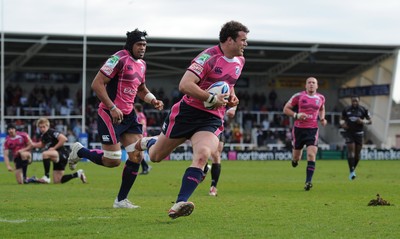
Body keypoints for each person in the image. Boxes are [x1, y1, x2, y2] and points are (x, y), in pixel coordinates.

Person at [131, 21, 248, 219]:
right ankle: (149, 141)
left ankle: (179, 204)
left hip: (211, 118)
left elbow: (228, 84)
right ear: (230, 40)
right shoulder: (208, 58)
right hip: (187, 113)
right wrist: (211, 98)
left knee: (203, 155)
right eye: (243, 40)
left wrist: (231, 97)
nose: (246, 44)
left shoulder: (240, 61)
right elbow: (185, 84)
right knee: (156, 156)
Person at [68, 29, 164, 208]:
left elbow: (141, 88)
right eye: (139, 45)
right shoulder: (118, 59)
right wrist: (112, 107)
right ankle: (80, 151)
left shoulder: (142, 64)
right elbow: (97, 84)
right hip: (109, 114)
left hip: (129, 116)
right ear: (130, 45)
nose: (142, 48)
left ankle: (121, 200)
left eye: (144, 45)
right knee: (112, 160)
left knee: (136, 155)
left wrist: (153, 100)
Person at [283, 77, 327, 191]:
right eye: (309, 83)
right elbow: (286, 109)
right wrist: (297, 115)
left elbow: (322, 108)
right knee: (296, 156)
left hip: (312, 130)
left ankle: (308, 181)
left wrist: (322, 118)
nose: (311, 84)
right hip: (299, 129)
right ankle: (294, 161)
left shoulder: (321, 98)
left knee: (311, 155)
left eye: (313, 83)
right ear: (305, 85)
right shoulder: (298, 96)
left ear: (317, 86)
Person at [31, 117, 87, 184]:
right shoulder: (44, 136)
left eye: (43, 127)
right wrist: (31, 145)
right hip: (57, 155)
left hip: (62, 153)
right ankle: (78, 174)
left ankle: (46, 176)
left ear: (47, 126)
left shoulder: (51, 132)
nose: (42, 129)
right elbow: (41, 145)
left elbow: (64, 139)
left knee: (45, 154)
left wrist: (54, 148)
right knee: (57, 181)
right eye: (40, 127)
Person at [206, 106, 237, 196]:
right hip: (203, 125)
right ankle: (204, 168)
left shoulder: (228, 92)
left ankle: (213, 187)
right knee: (203, 152)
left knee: (216, 154)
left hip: (218, 126)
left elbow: (233, 104)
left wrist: (231, 109)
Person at [339, 95, 371, 180]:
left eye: (356, 101)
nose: (354, 102)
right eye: (353, 101)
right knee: (351, 152)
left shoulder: (363, 110)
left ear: (359, 101)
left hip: (359, 134)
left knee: (357, 155)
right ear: (351, 101)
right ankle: (352, 171)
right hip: (349, 133)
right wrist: (343, 124)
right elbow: (341, 119)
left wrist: (363, 121)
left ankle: (352, 170)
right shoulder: (346, 109)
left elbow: (370, 121)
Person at [134, 103, 152, 175]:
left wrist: (141, 134)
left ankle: (146, 167)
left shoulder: (140, 115)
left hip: (140, 135)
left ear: (136, 108)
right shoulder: (139, 115)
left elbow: (143, 125)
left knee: (137, 152)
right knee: (137, 152)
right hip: (139, 134)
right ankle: (145, 167)